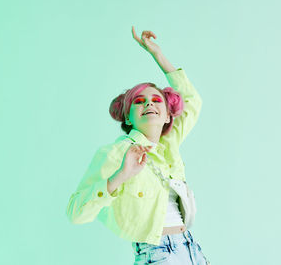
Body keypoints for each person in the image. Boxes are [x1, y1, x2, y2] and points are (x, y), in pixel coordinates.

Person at [66, 26, 211, 265]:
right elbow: (76, 212)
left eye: (156, 100)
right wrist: (120, 176)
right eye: (139, 101)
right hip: (158, 254)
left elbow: (192, 101)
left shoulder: (169, 143)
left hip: (191, 248)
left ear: (167, 116)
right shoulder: (115, 153)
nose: (149, 104)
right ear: (128, 117)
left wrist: (158, 55)